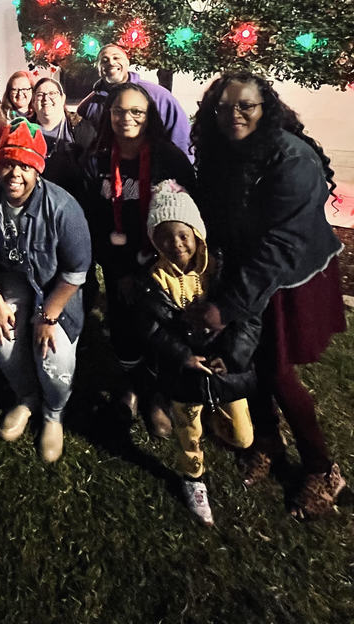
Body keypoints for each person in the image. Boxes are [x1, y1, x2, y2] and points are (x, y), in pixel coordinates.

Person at [189, 71, 347, 519]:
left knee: (276, 370)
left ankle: (322, 467)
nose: (233, 114)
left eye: (245, 106)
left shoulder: (291, 158)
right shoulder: (224, 151)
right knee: (250, 361)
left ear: (266, 108)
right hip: (246, 268)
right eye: (223, 107)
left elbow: (283, 244)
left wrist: (226, 306)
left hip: (285, 276)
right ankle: (268, 441)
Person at [0, 120, 92, 463]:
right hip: (13, 280)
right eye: (8, 163)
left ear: (38, 168)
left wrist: (48, 316)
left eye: (25, 165)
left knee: (54, 357)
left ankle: (53, 414)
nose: (14, 174)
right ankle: (26, 397)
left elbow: (76, 272)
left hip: (55, 288)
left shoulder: (64, 208)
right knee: (2, 340)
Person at [134, 180, 259, 526]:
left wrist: (232, 357)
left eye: (183, 236)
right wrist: (182, 356)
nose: (175, 245)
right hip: (184, 374)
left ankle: (216, 419)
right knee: (189, 432)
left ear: (197, 233)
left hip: (223, 371)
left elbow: (247, 320)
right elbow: (152, 328)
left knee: (241, 436)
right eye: (164, 237)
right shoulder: (154, 279)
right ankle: (194, 479)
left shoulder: (221, 272)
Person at [84, 81, 195, 435]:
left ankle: (157, 396)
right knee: (124, 329)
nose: (126, 118)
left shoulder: (169, 158)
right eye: (119, 111)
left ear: (149, 117)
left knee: (162, 331)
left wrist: (168, 264)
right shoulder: (97, 160)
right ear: (109, 115)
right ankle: (130, 387)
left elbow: (189, 218)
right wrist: (118, 272)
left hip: (163, 265)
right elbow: (94, 221)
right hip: (119, 266)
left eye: (136, 112)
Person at [76, 43, 191, 158]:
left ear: (127, 63)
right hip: (110, 171)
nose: (111, 62)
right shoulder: (88, 106)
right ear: (99, 69)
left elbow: (181, 138)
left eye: (116, 57)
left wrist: (182, 168)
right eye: (104, 60)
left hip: (154, 170)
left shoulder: (159, 96)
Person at [31, 77, 95, 204]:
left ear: (63, 98)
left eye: (52, 93)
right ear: (33, 101)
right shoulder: (24, 131)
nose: (45, 98)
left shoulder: (83, 130)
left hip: (74, 203)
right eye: (40, 94)